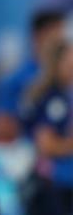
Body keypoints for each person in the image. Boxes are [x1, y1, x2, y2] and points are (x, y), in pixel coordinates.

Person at [0, 10, 66, 142]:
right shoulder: (16, 80)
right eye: (56, 36)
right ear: (39, 35)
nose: (61, 43)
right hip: (30, 157)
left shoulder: (65, 78)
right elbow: (2, 127)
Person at [22, 41, 73, 214]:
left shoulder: (59, 96)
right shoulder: (54, 99)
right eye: (70, 61)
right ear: (58, 64)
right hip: (54, 184)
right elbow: (45, 144)